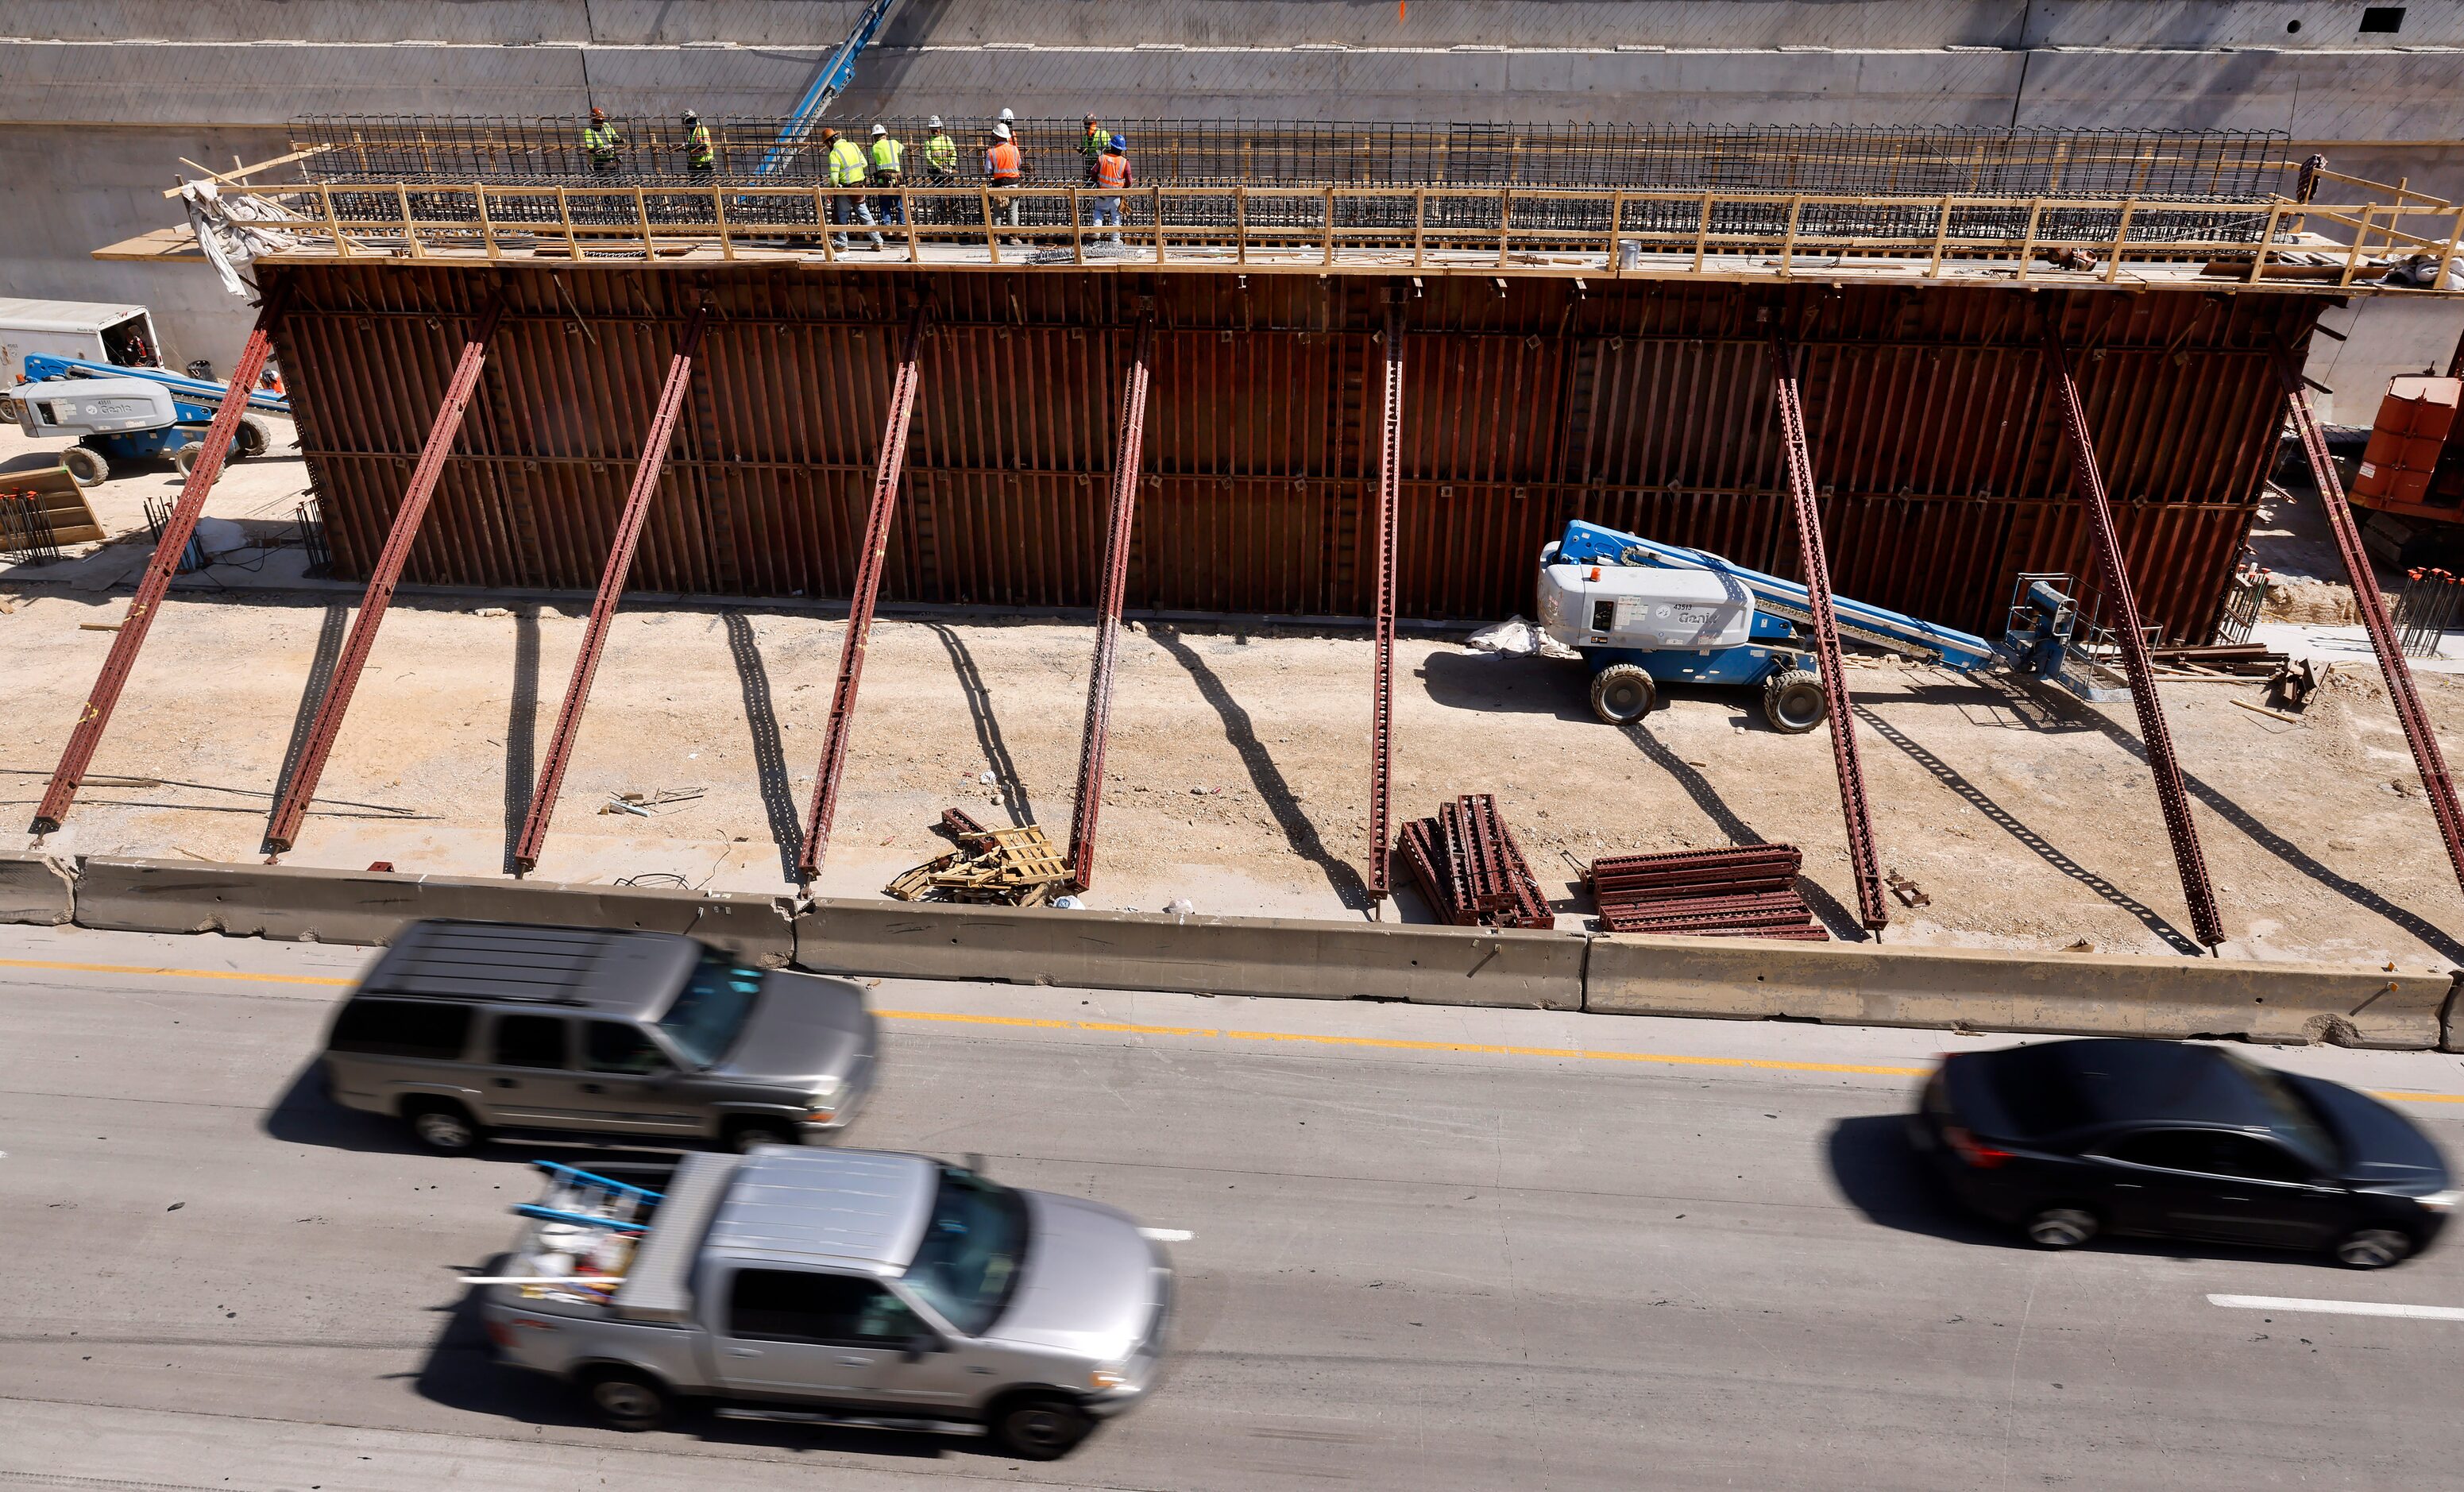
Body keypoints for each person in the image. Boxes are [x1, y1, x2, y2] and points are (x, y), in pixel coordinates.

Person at [822, 126, 883, 250]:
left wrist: (830, 192)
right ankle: (878, 241)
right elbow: (864, 164)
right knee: (864, 213)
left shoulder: (834, 153)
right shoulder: (853, 146)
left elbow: (834, 179)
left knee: (842, 215)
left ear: (829, 142)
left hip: (845, 189)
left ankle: (842, 244)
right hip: (859, 187)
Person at [984, 121, 1024, 242]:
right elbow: (1019, 164)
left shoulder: (992, 152)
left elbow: (988, 170)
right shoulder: (1014, 149)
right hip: (1014, 185)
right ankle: (1013, 237)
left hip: (1000, 186)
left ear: (997, 136)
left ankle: (997, 237)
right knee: (1013, 211)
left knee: (998, 212)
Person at [1089, 133, 1131, 245]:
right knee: (1116, 216)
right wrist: (1124, 188)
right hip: (1116, 196)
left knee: (1098, 211)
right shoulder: (1124, 162)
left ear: (1111, 146)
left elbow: (1093, 171)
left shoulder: (1102, 158)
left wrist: (1095, 180)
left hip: (1102, 193)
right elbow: (1129, 180)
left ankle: (1096, 231)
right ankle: (1115, 240)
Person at [921, 115, 960, 224]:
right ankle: (941, 216)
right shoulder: (928, 141)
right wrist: (940, 168)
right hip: (936, 171)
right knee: (939, 194)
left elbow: (953, 153)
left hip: (949, 170)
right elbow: (929, 158)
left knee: (952, 192)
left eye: (936, 128)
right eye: (933, 129)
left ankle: (953, 214)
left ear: (940, 128)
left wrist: (950, 166)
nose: (935, 131)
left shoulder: (946, 139)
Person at [869, 122, 906, 227]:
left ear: (875, 137)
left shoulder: (874, 148)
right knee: (900, 205)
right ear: (885, 135)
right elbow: (901, 148)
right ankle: (903, 226)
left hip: (882, 181)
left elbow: (874, 156)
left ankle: (887, 226)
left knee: (885, 205)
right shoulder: (893, 143)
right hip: (896, 180)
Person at [584, 107, 624, 173]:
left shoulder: (607, 126)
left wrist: (620, 140)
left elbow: (615, 139)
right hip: (600, 162)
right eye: (598, 121)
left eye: (602, 120)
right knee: (605, 182)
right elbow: (590, 149)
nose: (600, 122)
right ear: (593, 120)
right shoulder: (589, 131)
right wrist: (602, 149)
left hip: (612, 159)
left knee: (620, 179)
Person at [682, 110, 715, 174]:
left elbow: (705, 147)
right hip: (695, 165)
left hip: (705, 164)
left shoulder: (701, 130)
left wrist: (689, 146)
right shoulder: (691, 132)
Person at [1079, 114, 1107, 184]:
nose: (1087, 126)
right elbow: (1086, 151)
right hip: (1090, 166)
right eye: (1086, 124)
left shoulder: (1102, 134)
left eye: (1089, 124)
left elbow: (1109, 151)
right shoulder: (1085, 137)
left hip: (1101, 167)